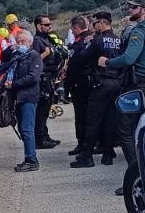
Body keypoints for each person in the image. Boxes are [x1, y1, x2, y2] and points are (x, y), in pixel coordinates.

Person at [100, 0, 145, 189]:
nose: (129, 10)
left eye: (134, 7)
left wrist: (108, 62)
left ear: (144, 10)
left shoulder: (140, 30)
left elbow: (129, 59)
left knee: (126, 132)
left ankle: (136, 179)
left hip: (137, 87)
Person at [83, 12, 124, 167]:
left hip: (101, 83)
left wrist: (88, 42)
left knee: (93, 121)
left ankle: (87, 156)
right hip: (117, 83)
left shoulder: (97, 40)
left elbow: (83, 56)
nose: (94, 27)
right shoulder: (119, 40)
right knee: (110, 120)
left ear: (102, 23)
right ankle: (107, 155)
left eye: (95, 24)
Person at [0, 29, 42, 172]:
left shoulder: (34, 56)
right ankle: (29, 157)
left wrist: (14, 84)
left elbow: (33, 77)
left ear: (30, 43)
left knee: (27, 129)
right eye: (19, 41)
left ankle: (31, 159)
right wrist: (11, 48)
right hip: (18, 97)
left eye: (24, 41)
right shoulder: (17, 56)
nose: (21, 43)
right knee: (23, 128)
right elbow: (4, 59)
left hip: (28, 96)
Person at [64, 15, 96, 166]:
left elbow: (77, 63)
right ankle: (81, 144)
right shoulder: (82, 40)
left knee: (83, 117)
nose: (71, 31)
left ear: (76, 28)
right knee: (80, 117)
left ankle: (85, 146)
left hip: (82, 82)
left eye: (72, 28)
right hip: (79, 82)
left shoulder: (85, 41)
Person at [31, 14, 66, 150]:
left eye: (50, 24)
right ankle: (39, 139)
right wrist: (45, 53)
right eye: (46, 25)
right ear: (39, 26)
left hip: (50, 77)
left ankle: (44, 135)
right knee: (41, 110)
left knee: (46, 110)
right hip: (42, 78)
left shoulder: (48, 39)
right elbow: (33, 61)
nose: (50, 26)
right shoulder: (37, 41)